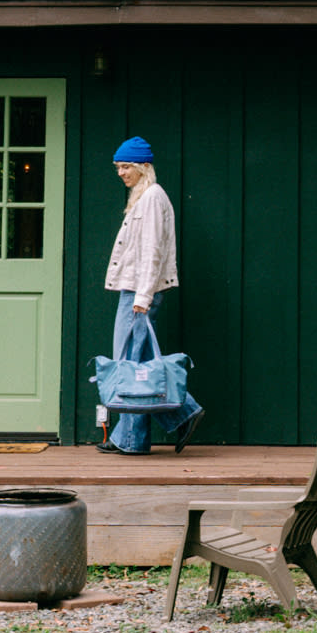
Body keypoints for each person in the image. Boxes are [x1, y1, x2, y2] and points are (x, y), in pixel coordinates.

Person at [101, 136, 203, 453]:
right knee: (137, 362)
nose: (121, 172)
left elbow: (151, 254)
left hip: (138, 293)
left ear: (145, 166)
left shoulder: (152, 199)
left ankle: (138, 435)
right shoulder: (144, 197)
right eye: (118, 167)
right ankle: (170, 419)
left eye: (126, 166)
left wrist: (142, 297)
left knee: (129, 364)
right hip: (134, 290)